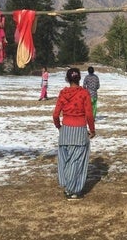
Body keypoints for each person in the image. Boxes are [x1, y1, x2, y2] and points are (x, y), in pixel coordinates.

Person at [53, 68, 95, 200]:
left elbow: (55, 115)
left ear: (67, 79)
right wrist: (92, 130)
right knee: (77, 161)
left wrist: (59, 127)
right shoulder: (84, 93)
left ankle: (67, 187)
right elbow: (89, 114)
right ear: (79, 78)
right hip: (80, 130)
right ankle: (74, 190)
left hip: (65, 130)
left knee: (65, 160)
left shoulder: (63, 93)